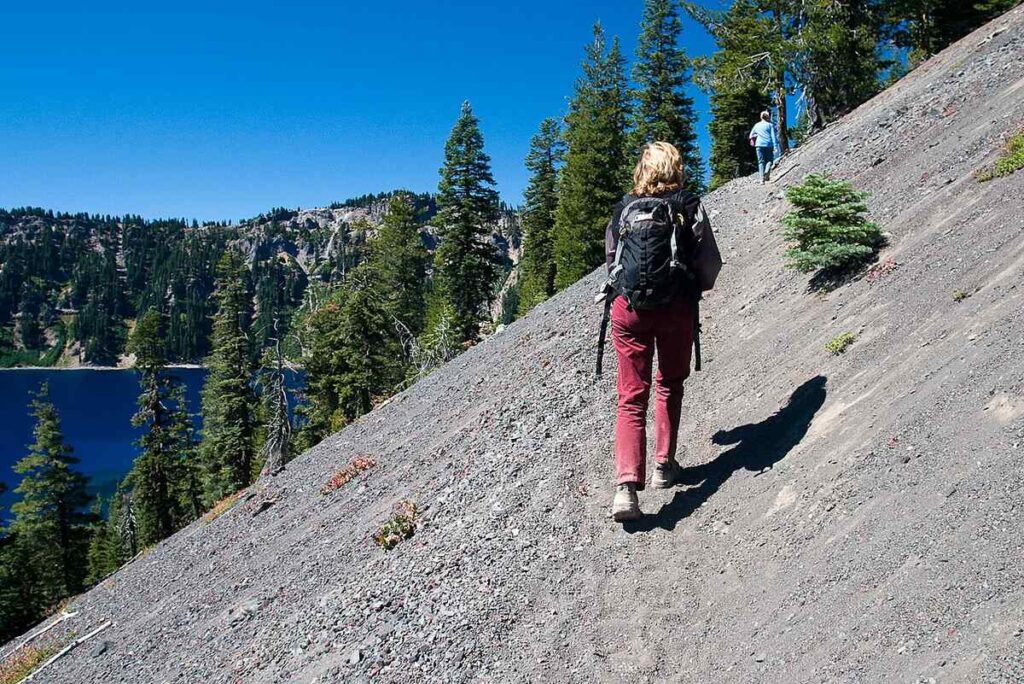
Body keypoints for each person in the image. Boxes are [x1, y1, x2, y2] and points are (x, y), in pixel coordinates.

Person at [600, 142, 722, 522]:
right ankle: (663, 466)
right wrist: (691, 288)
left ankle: (625, 489)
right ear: (675, 168)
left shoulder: (624, 208)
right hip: (675, 308)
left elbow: (611, 258)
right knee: (669, 382)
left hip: (628, 309)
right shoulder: (687, 204)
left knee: (630, 397)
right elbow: (710, 261)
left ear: (643, 170)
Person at [749, 110, 779, 183]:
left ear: (761, 117)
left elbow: (751, 135)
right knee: (769, 160)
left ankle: (761, 179)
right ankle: (767, 171)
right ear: (768, 117)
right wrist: (775, 146)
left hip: (759, 144)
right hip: (769, 144)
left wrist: (756, 135)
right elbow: (773, 136)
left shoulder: (757, 125)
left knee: (761, 162)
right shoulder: (770, 125)